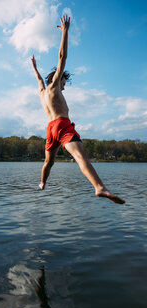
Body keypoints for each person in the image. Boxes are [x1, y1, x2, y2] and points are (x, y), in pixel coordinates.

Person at [31, 15, 125, 204]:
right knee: (81, 158)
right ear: (56, 80)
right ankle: (99, 187)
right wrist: (65, 32)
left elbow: (39, 80)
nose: (64, 87)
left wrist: (34, 67)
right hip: (62, 126)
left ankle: (42, 183)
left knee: (48, 162)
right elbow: (62, 57)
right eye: (63, 83)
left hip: (50, 129)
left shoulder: (42, 92)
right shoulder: (54, 85)